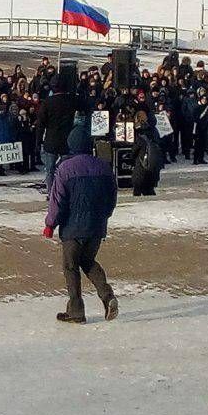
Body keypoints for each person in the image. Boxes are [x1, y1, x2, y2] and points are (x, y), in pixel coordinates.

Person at [43, 129, 119, 325]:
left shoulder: (65, 169)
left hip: (72, 228)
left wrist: (50, 224)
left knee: (70, 266)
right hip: (96, 226)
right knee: (88, 261)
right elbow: (112, 197)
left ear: (71, 145)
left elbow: (57, 200)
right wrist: (105, 215)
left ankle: (76, 311)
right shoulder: (104, 167)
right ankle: (107, 296)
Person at [37, 74, 78, 190]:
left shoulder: (47, 102)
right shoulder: (71, 100)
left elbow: (40, 124)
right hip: (67, 139)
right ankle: (65, 191)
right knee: (67, 169)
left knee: (50, 170)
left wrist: (38, 141)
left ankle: (51, 193)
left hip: (51, 140)